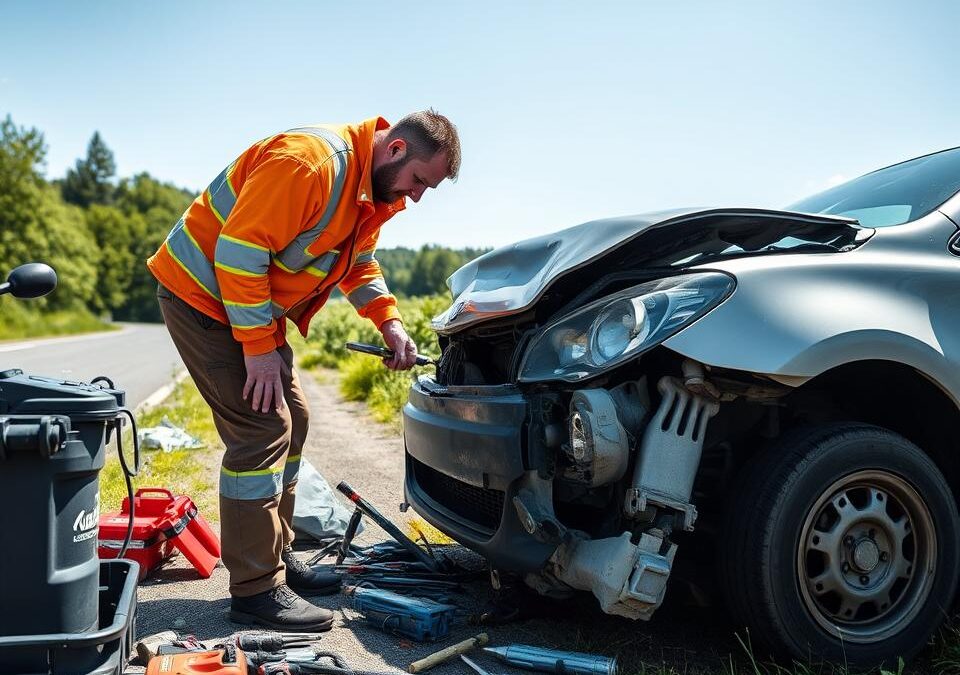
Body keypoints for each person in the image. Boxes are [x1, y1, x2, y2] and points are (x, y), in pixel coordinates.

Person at [146, 110, 461, 630]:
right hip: (202, 297)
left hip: (246, 308)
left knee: (297, 416)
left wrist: (390, 324)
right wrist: (257, 348)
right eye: (419, 181)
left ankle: (276, 554)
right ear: (397, 149)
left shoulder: (370, 192)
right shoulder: (310, 164)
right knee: (263, 430)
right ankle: (255, 590)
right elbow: (239, 251)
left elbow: (357, 265)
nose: (418, 196)